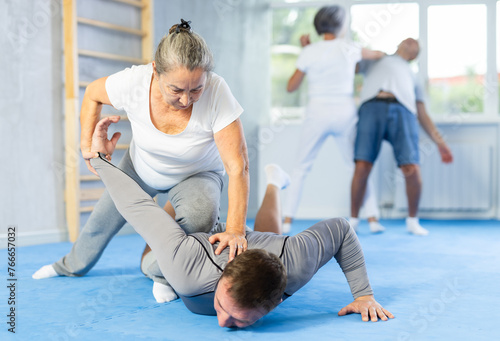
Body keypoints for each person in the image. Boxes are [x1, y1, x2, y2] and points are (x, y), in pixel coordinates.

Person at [88, 116, 394, 328]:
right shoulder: (185, 269)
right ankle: (176, 200)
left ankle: (274, 182)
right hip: (196, 246)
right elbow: (138, 206)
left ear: (274, 303)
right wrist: (101, 162)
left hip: (257, 244)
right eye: (222, 307)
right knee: (150, 265)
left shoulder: (296, 264)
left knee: (273, 236)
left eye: (240, 320)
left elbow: (341, 229)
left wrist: (363, 295)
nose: (223, 323)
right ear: (224, 283)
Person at [32, 20, 250, 301]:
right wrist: (88, 145)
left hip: (197, 174)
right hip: (140, 167)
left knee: (200, 218)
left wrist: (234, 230)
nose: (186, 100)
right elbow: (92, 95)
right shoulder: (134, 82)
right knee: (101, 221)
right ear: (155, 71)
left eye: (196, 90)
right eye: (176, 90)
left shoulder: (218, 92)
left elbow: (238, 166)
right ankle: (69, 266)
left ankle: (163, 275)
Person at [283, 6, 386, 234]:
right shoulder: (350, 48)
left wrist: (308, 54)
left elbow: (291, 87)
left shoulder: (309, 51)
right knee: (357, 166)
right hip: (344, 113)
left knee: (301, 168)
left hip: (317, 113)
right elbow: (378, 54)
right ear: (341, 26)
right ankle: (372, 220)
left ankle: (286, 221)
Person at [351, 38, 454, 236]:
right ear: (398, 44)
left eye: (414, 43)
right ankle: (353, 221)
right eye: (406, 40)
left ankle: (413, 221)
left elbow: (422, 113)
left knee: (411, 167)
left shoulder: (413, 75)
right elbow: (351, 64)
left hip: (404, 111)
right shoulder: (377, 60)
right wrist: (371, 52)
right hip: (371, 107)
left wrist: (440, 143)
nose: (409, 41)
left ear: (415, 55)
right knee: (362, 165)